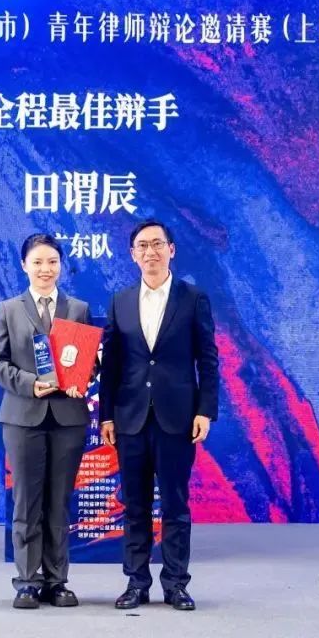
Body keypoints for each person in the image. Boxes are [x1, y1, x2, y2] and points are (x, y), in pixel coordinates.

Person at [99, 219, 219, 611]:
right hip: (130, 418)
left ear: (171, 249)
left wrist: (205, 411)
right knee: (134, 505)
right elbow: (111, 366)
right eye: (142, 246)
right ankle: (136, 583)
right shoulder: (120, 301)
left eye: (157, 244)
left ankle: (176, 584)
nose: (150, 252)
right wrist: (106, 416)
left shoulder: (193, 298)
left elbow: (208, 359)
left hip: (177, 418)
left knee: (175, 505)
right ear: (132, 255)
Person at [0, 233, 93, 609]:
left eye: (52, 262)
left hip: (68, 416)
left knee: (59, 501)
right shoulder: (8, 309)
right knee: (27, 501)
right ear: (24, 266)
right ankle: (28, 581)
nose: (45, 269)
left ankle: (57, 581)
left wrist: (84, 376)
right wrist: (30, 384)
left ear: (61, 265)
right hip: (22, 416)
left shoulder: (78, 308)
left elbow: (88, 360)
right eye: (38, 262)